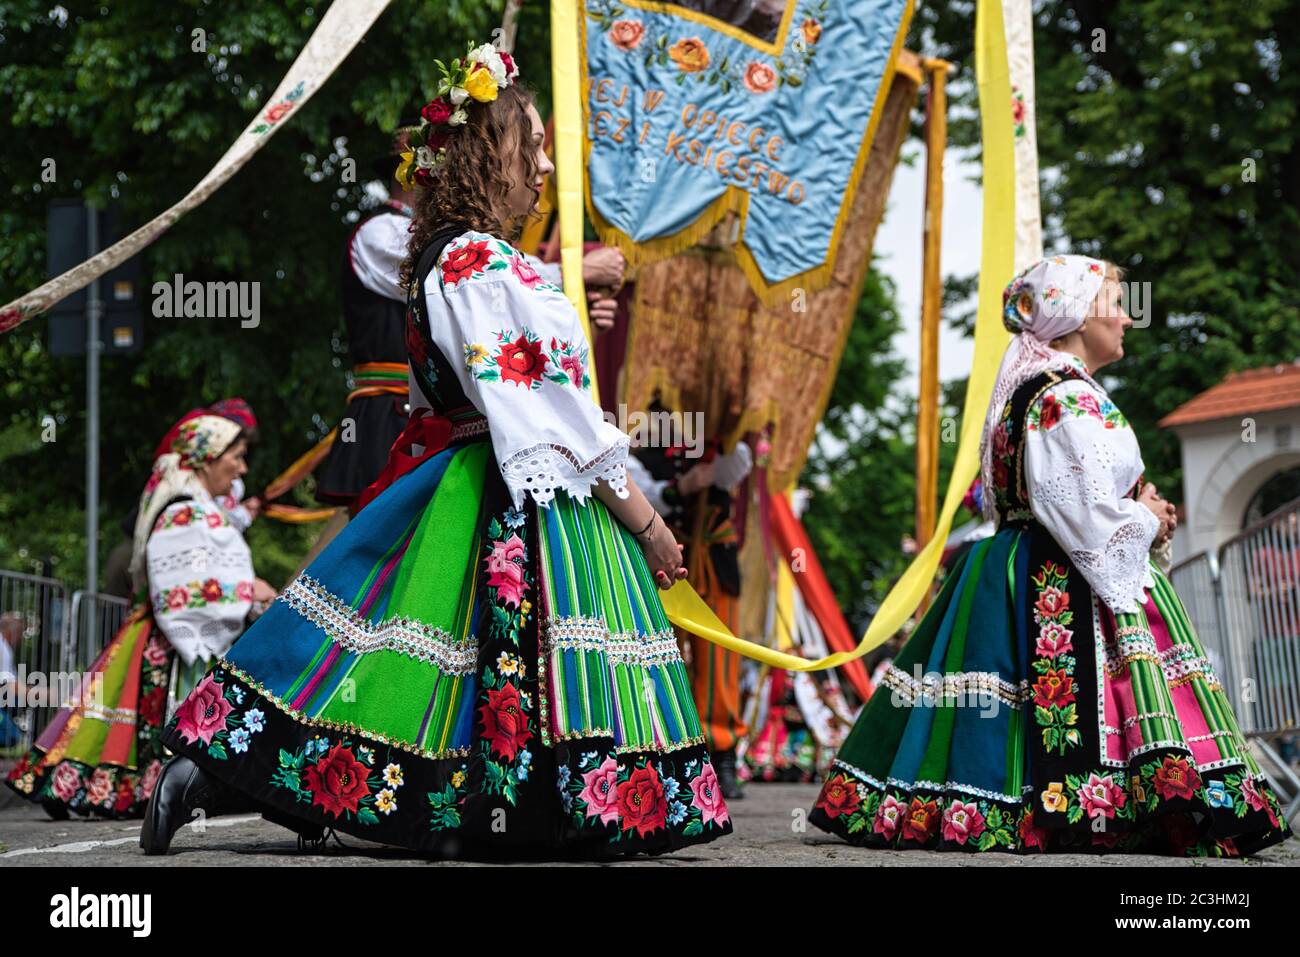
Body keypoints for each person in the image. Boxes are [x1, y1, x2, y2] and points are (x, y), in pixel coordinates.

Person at [143, 43, 733, 859]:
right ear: (495, 155)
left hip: (458, 478)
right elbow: (556, 420)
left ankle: (216, 774)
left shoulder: (454, 260)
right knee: (460, 662)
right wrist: (644, 523)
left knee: (396, 657)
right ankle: (525, 810)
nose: (546, 165)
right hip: (511, 494)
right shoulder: (481, 263)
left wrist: (556, 293)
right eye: (533, 145)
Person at [810, 255, 1291, 856]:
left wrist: (1138, 510)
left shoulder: (1037, 391)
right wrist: (1146, 515)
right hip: (1058, 572)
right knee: (1059, 689)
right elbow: (1085, 513)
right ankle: (1087, 807)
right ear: (1075, 315)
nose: (1127, 320)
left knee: (992, 701)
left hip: (1016, 564)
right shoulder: (1064, 396)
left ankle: (986, 805)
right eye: (1115, 304)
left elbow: (1073, 497)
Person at [4, 413, 275, 818]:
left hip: (164, 636)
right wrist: (248, 592)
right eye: (235, 456)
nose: (242, 467)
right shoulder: (183, 510)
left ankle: (114, 788)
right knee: (131, 721)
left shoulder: (191, 506)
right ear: (206, 458)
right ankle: (153, 790)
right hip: (171, 641)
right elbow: (181, 587)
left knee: (108, 718)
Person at [627, 427, 753, 797]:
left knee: (719, 658)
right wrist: (680, 488)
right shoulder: (641, 439)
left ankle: (723, 751)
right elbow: (637, 488)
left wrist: (719, 445)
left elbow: (738, 466)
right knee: (658, 650)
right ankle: (663, 746)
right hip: (666, 554)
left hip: (715, 559)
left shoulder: (722, 436)